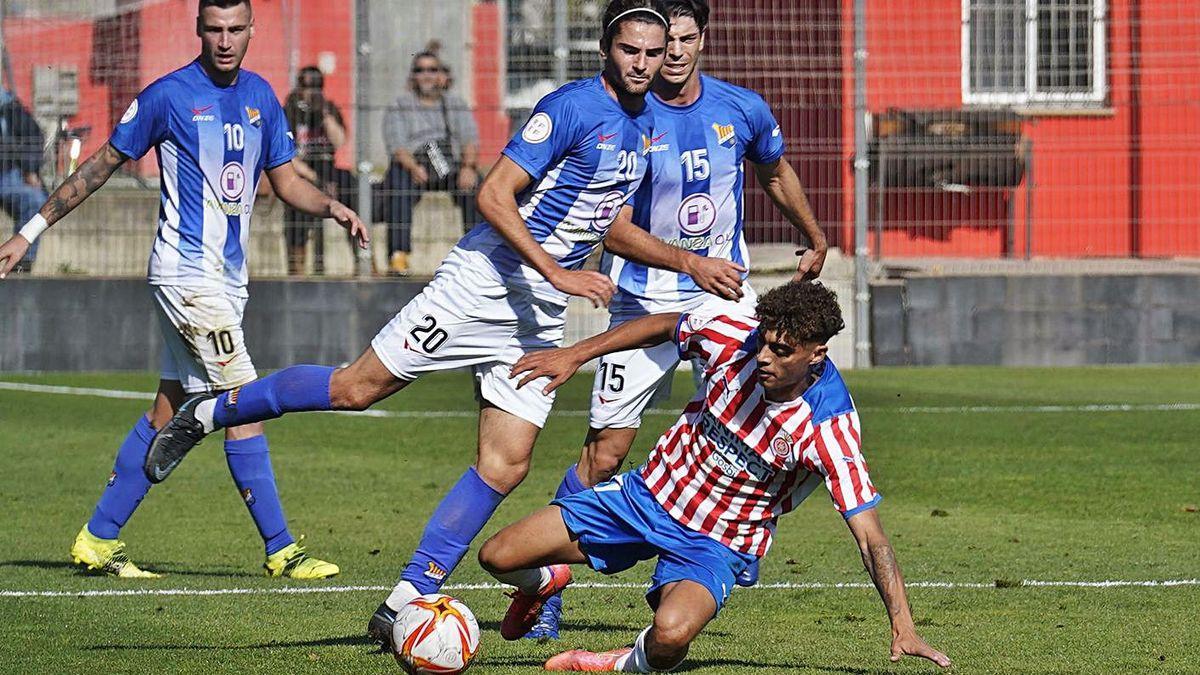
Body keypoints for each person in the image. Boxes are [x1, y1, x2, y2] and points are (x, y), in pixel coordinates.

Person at [143, 0, 750, 647]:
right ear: (606, 48)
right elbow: (493, 194)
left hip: (534, 310)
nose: (645, 63)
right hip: (482, 283)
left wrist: (680, 260)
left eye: (655, 54)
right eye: (632, 50)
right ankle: (212, 412)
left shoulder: (649, 122)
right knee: (357, 388)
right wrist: (560, 271)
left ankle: (409, 594)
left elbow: (608, 217)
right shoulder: (569, 108)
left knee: (506, 461)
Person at [0, 0, 367, 578]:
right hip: (185, 276)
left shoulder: (263, 98)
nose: (225, 40)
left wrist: (331, 206)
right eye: (214, 29)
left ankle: (98, 538)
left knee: (168, 406)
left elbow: (288, 181)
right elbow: (100, 166)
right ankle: (281, 550)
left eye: (235, 29)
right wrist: (30, 230)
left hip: (227, 281)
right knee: (243, 403)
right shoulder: (166, 96)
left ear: (251, 30)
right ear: (199, 29)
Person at [526, 0, 831, 638]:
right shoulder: (627, 119)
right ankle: (549, 578)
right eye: (665, 42)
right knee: (606, 454)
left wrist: (813, 232)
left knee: (764, 431)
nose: (674, 53)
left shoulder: (741, 108)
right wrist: (690, 262)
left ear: (701, 40)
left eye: (687, 39)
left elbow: (774, 170)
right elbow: (609, 227)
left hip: (726, 300)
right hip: (644, 301)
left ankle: (714, 553)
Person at [480, 281, 952, 672]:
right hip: (646, 495)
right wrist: (577, 354)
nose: (764, 356)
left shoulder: (829, 428)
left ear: (817, 355)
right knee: (497, 556)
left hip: (719, 538)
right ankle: (542, 582)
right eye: (765, 340)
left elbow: (871, 537)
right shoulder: (736, 336)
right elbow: (667, 325)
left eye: (782, 350)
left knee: (671, 634)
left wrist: (902, 625)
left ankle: (622, 662)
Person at [380, 47, 480, 276]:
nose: (426, 75)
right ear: (413, 75)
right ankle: (399, 255)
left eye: (432, 70)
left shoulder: (454, 104)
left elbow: (469, 139)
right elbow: (396, 146)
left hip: (449, 167)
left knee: (479, 185)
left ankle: (477, 256)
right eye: (420, 70)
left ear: (441, 75)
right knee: (398, 181)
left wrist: (468, 167)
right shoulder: (400, 105)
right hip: (413, 166)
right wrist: (413, 167)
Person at [282, 65, 347, 275]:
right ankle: (297, 268)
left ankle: (365, 261)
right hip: (301, 171)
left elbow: (340, 141)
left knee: (353, 189)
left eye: (316, 85)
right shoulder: (290, 110)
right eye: (306, 85)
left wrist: (325, 115)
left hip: (328, 170)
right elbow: (285, 154)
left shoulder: (328, 108)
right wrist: (312, 177)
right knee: (297, 206)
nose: (311, 90)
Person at [0, 88, 49, 274]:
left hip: (8, 175)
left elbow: (33, 136)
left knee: (35, 201)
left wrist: (30, 170)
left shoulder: (8, 106)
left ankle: (21, 265)